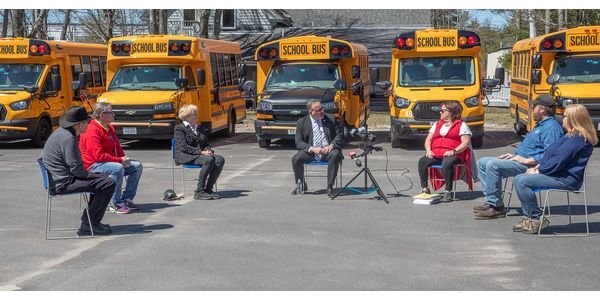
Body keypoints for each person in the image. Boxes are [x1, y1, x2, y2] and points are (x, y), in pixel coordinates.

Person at [473, 94, 564, 219]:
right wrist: (515, 155)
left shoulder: (551, 128)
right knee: (482, 162)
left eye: (534, 107)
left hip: (529, 165)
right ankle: (491, 200)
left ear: (542, 109)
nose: (532, 109)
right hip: (519, 160)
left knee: (492, 165)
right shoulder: (542, 124)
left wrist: (526, 159)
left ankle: (496, 207)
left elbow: (551, 154)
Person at [512, 104, 597, 234]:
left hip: (565, 179)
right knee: (520, 178)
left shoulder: (578, 139)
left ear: (573, 119)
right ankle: (530, 217)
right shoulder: (569, 136)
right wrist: (537, 166)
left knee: (522, 181)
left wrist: (539, 171)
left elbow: (559, 161)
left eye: (565, 116)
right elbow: (550, 155)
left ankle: (535, 219)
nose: (562, 119)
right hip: (555, 174)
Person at [42, 106, 116, 236]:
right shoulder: (68, 138)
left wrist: (96, 176)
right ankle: (89, 225)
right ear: (79, 124)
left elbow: (76, 168)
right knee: (108, 183)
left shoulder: (63, 133)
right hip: (62, 183)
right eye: (87, 122)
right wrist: (95, 175)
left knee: (102, 181)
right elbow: (77, 170)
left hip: (61, 179)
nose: (89, 124)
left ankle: (90, 222)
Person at [79, 102, 144, 214]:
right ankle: (115, 203)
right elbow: (97, 156)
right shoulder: (92, 130)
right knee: (117, 168)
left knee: (136, 166)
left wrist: (124, 158)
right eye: (111, 112)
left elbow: (117, 147)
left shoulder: (109, 128)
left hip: (107, 162)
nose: (114, 115)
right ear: (102, 115)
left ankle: (126, 199)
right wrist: (119, 161)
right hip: (92, 165)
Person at [417, 101, 472, 202]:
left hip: (455, 154)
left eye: (442, 110)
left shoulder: (461, 125)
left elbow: (465, 143)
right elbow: (428, 139)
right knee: (423, 161)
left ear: (451, 112)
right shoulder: (437, 124)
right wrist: (429, 151)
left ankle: (448, 191)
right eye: (440, 110)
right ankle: (425, 189)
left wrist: (454, 151)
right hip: (436, 154)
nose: (440, 112)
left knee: (447, 162)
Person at [291, 99, 343, 197]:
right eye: (319, 110)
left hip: (328, 151)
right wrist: (313, 149)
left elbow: (340, 135)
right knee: (296, 159)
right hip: (311, 152)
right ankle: (301, 184)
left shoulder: (331, 118)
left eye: (322, 108)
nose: (322, 111)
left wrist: (331, 145)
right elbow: (298, 142)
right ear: (311, 112)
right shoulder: (301, 122)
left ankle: (330, 187)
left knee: (335, 154)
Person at [174, 104, 224, 200]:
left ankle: (208, 189)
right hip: (185, 155)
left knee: (220, 160)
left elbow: (205, 143)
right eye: (194, 114)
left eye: (196, 113)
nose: (197, 116)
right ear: (187, 116)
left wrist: (207, 150)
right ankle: (199, 191)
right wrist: (201, 153)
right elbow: (183, 147)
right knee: (208, 160)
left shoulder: (199, 128)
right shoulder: (179, 129)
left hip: (200, 155)